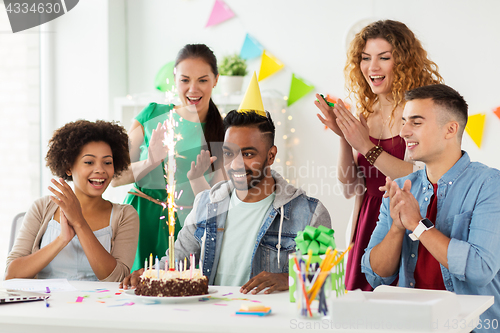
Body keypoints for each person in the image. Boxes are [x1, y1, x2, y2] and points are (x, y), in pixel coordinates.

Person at [121, 73, 331, 294]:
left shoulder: (310, 213)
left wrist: (289, 280)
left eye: (248, 154)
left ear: (271, 155)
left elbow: (327, 279)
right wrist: (151, 273)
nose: (236, 164)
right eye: (229, 153)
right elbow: (177, 258)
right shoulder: (206, 203)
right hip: (213, 319)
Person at [314, 20, 443, 290]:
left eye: (384, 58)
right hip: (366, 224)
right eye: (365, 58)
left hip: (406, 222)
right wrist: (344, 138)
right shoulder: (366, 113)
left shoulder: (419, 113)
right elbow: (350, 188)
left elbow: (424, 177)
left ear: (404, 62)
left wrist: (365, 147)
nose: (372, 67)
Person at [361, 84, 500, 331]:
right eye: (404, 121)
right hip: (411, 326)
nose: (403, 132)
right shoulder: (401, 189)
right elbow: (375, 275)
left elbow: (480, 269)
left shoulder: (490, 185)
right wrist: (396, 227)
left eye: (416, 122)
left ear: (450, 129)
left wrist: (417, 224)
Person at [111, 44, 226, 271]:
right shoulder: (153, 114)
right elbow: (114, 177)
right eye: (185, 80)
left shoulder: (222, 132)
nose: (193, 89)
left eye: (202, 80)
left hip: (184, 231)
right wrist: (151, 161)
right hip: (138, 221)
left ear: (215, 80)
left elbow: (220, 201)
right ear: (175, 79)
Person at [5, 120, 139, 281]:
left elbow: (116, 279)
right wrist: (62, 239)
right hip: (46, 304)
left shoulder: (125, 215)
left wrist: (79, 223)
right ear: (69, 167)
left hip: (100, 305)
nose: (100, 170)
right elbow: (11, 275)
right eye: (89, 162)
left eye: (107, 162)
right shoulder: (42, 207)